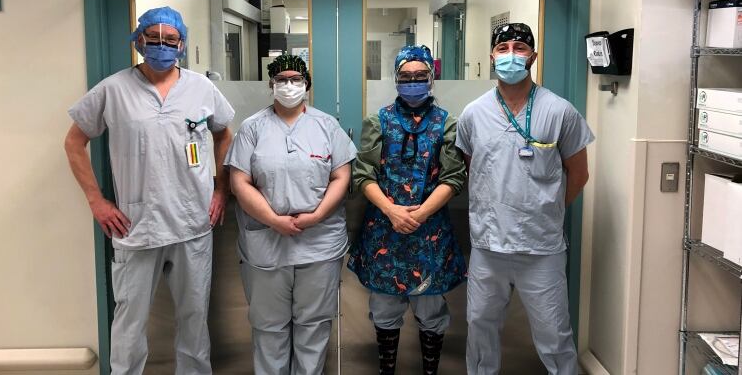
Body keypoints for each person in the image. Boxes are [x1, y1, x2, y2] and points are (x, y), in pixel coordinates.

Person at [64, 6, 235, 375]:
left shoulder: (201, 88)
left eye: (170, 39)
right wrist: (96, 200)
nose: (161, 45)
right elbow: (74, 143)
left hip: (192, 223)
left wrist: (221, 191)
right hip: (135, 226)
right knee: (129, 325)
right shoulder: (113, 89)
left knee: (194, 320)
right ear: (139, 40)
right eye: (153, 38)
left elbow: (223, 134)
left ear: (182, 44)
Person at [456, 23, 594, 375]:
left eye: (520, 47)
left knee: (555, 337)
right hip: (489, 247)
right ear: (491, 56)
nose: (511, 55)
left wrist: (544, 211)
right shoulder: (473, 114)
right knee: (480, 332)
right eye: (503, 48)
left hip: (541, 250)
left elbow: (578, 175)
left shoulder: (559, 111)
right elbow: (476, 171)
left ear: (533, 56)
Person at [225, 54, 357, 375]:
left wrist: (316, 216)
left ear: (306, 84)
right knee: (269, 329)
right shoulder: (252, 128)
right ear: (271, 85)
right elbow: (238, 181)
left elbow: (342, 176)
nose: (289, 85)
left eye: (295, 79)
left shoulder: (327, 126)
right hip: (266, 243)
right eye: (281, 80)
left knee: (313, 327)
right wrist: (273, 220)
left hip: (319, 243)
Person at [348, 45, 467, 375]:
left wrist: (420, 213)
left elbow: (454, 176)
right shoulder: (378, 122)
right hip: (385, 228)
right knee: (384, 308)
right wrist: (392, 211)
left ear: (431, 78)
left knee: (431, 311)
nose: (412, 81)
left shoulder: (447, 124)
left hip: (429, 232)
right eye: (405, 76)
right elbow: (363, 174)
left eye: (419, 76)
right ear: (395, 78)